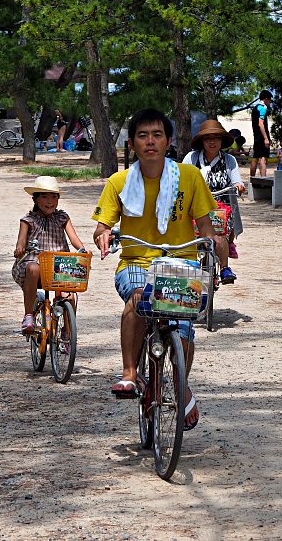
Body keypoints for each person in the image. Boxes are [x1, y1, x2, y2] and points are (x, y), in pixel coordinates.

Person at [92, 108, 218, 430]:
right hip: (135, 262)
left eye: (157, 135)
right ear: (133, 143)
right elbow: (102, 225)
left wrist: (213, 245)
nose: (150, 141)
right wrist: (104, 234)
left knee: (184, 327)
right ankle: (130, 374)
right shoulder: (118, 182)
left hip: (181, 261)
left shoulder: (189, 178)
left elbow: (205, 225)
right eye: (143, 135)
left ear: (169, 141)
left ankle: (180, 383)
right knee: (137, 298)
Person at [12, 176, 87, 334]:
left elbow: (74, 238)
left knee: (70, 297)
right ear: (35, 199)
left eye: (54, 197)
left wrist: (82, 249)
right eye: (44, 197)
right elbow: (21, 241)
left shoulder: (62, 218)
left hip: (59, 265)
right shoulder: (28, 220)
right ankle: (28, 315)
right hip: (34, 263)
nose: (49, 201)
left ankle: (67, 331)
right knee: (33, 268)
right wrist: (19, 248)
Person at [182, 119, 245, 283]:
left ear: (222, 141)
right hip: (195, 207)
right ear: (202, 141)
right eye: (208, 138)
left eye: (216, 138)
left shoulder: (229, 160)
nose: (212, 141)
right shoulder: (192, 158)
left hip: (222, 209)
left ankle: (224, 268)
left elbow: (237, 179)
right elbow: (181, 178)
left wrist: (238, 185)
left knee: (219, 234)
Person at [250, 89, 272, 179]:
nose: (270, 102)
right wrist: (266, 138)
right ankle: (263, 180)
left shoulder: (255, 108)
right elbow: (260, 123)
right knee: (263, 159)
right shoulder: (263, 108)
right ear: (266, 99)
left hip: (256, 136)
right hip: (262, 137)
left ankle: (252, 179)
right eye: (269, 100)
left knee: (255, 158)